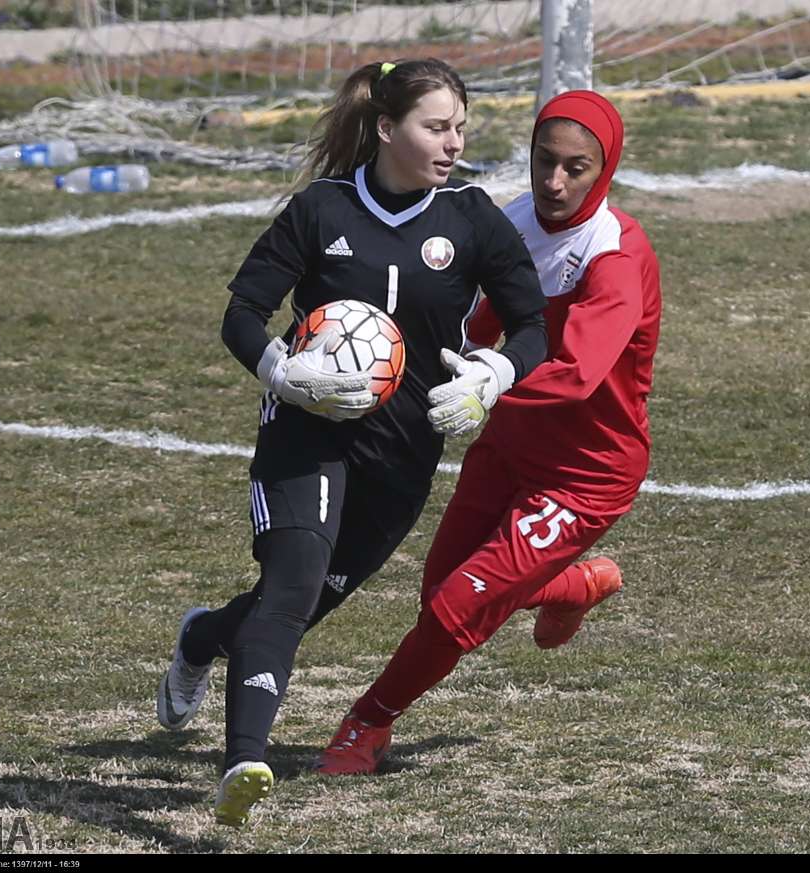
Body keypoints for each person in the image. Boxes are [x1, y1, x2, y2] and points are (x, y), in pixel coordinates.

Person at [153, 58, 548, 827]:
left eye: (461, 127)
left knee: (299, 606)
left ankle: (203, 635)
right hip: (306, 433)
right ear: (385, 129)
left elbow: (534, 324)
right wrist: (282, 373)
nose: (454, 143)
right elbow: (242, 313)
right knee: (293, 582)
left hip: (402, 458)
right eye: (437, 127)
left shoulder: (470, 218)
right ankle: (244, 759)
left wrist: (493, 373)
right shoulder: (321, 211)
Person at [313, 89, 663, 776]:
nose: (554, 183)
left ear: (606, 168)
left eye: (576, 168)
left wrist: (488, 380)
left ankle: (366, 724)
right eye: (543, 162)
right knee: (441, 588)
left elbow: (578, 372)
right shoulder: (513, 224)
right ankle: (565, 588)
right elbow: (471, 327)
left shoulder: (615, 261)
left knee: (453, 610)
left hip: (584, 475)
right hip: (507, 446)